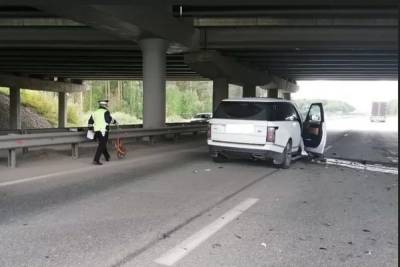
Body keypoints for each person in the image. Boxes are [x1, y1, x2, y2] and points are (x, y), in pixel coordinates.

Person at [88, 100, 117, 165]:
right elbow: (108, 120)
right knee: (102, 145)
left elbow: (90, 122)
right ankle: (96, 160)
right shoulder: (106, 112)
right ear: (105, 105)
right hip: (103, 131)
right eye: (106, 105)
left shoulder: (94, 112)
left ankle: (107, 157)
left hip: (96, 131)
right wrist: (115, 122)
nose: (107, 106)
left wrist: (90, 129)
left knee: (102, 144)